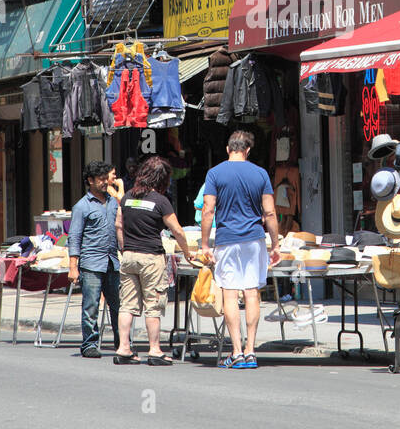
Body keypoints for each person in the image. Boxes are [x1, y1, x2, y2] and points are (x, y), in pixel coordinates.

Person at [200, 130, 279, 369]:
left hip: (226, 240)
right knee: (252, 293)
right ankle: (251, 351)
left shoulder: (215, 173)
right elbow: (270, 213)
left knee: (231, 294)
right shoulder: (260, 173)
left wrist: (204, 243)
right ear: (248, 150)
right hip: (254, 240)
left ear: (228, 149)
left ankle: (236, 352)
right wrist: (275, 245)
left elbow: (207, 210)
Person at [114, 156, 195, 366]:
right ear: (162, 179)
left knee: (127, 305)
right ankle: (155, 350)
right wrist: (187, 252)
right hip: (151, 257)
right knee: (153, 306)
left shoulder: (127, 197)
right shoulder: (160, 200)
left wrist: (125, 248)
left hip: (129, 256)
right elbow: (176, 230)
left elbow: (118, 226)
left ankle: (123, 349)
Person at [68, 160, 123, 358]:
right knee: (91, 305)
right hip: (91, 263)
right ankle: (89, 343)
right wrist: (73, 267)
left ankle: (122, 342)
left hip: (112, 261)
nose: (104, 183)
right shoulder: (82, 206)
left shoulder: (113, 201)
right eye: (100, 180)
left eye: (105, 179)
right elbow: (74, 237)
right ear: (90, 181)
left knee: (118, 306)